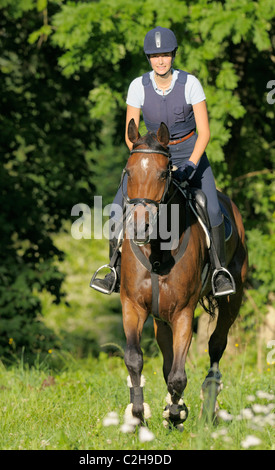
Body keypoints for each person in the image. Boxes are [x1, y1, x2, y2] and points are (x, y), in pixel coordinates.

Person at [91, 26, 235, 297]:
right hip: (153, 158)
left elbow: (205, 132)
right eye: (155, 56)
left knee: (213, 209)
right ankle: (113, 269)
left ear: (173, 55)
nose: (160, 60)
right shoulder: (138, 86)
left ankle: (219, 272)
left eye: (165, 55)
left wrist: (192, 164)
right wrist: (147, 159)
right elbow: (129, 135)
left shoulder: (190, 84)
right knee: (114, 209)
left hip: (190, 154)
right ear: (148, 58)